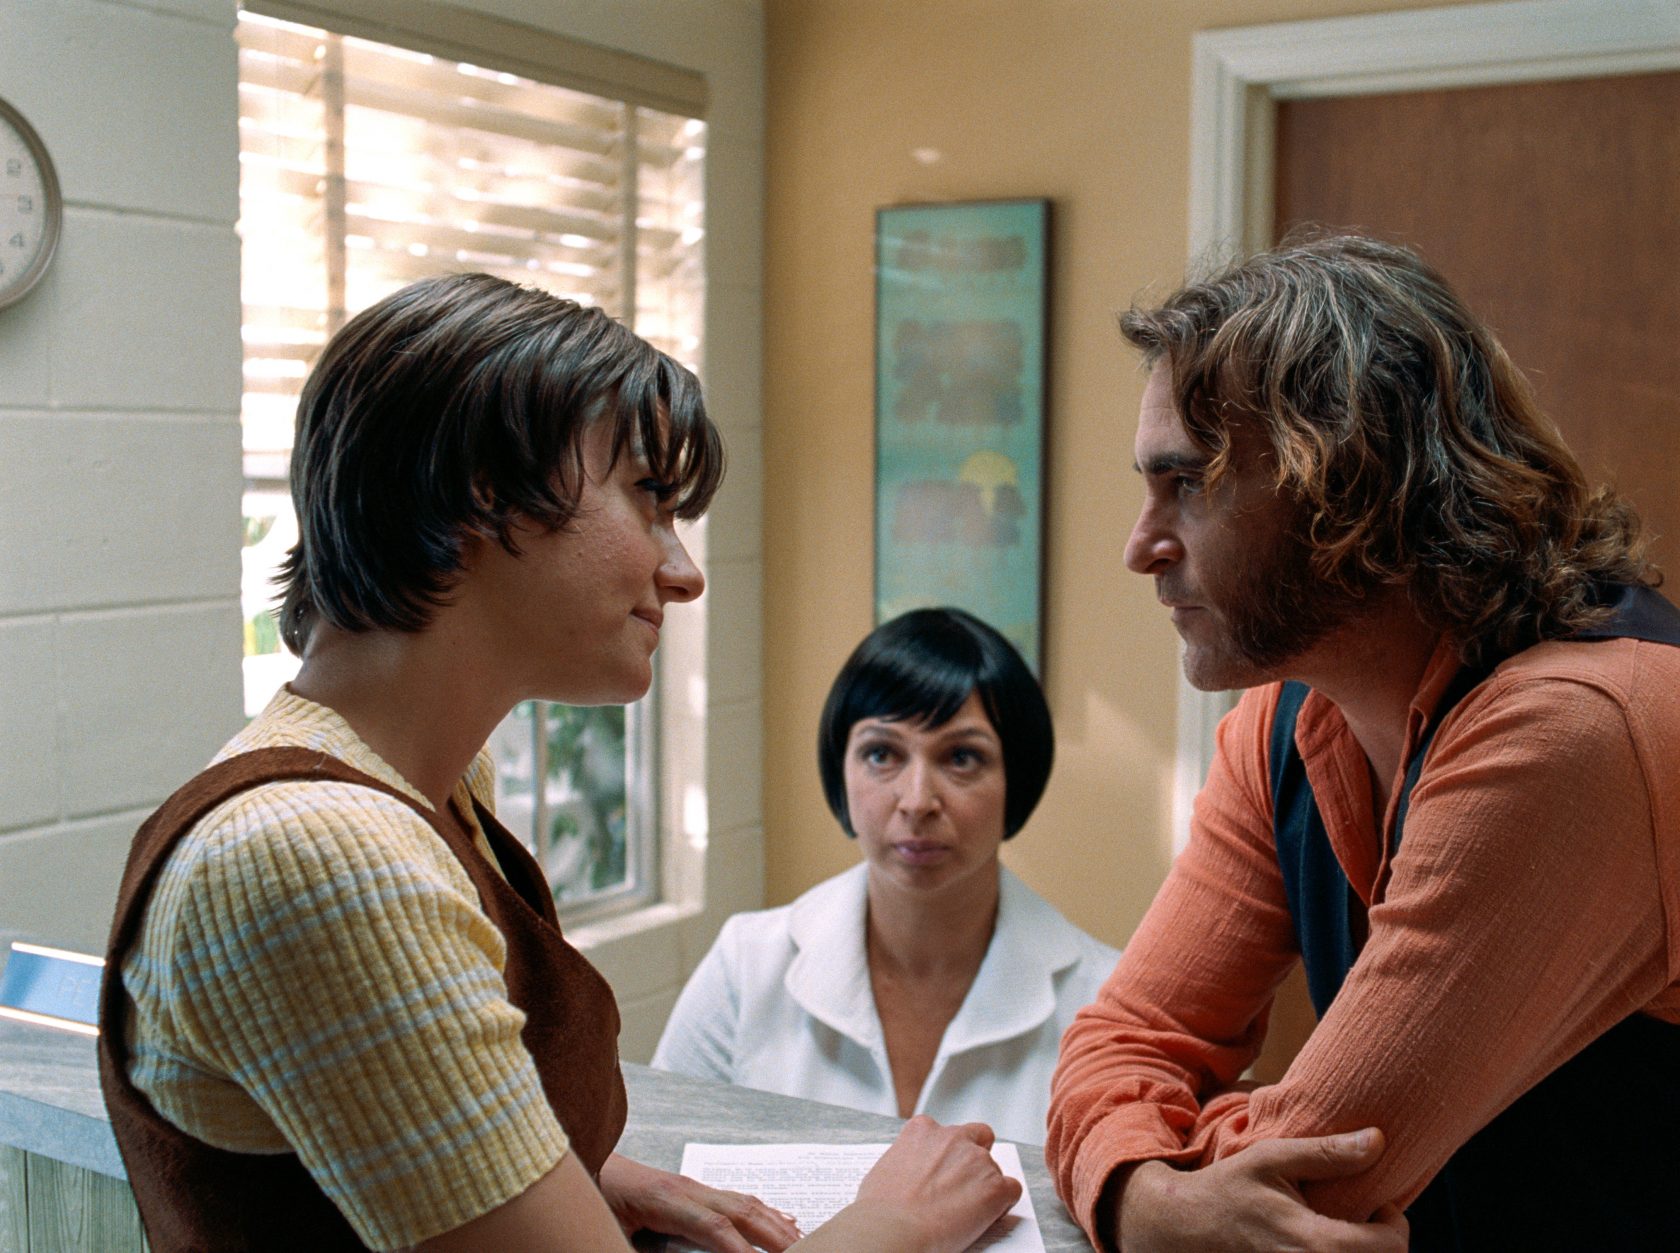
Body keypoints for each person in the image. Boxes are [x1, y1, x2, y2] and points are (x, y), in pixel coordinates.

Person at [97, 273, 1021, 1253]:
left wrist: (572, 1175)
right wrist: (898, 1219)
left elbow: (351, 1118)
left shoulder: (430, 785)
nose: (683, 571)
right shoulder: (320, 850)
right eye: (649, 499)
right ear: (480, 493)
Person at [1047, 233, 1680, 1252]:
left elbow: (1314, 1175)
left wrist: (1161, 1162)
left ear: (1342, 480)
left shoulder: (1579, 725)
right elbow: (1126, 1039)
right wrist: (1141, 1196)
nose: (1141, 546)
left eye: (1189, 484)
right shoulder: (1285, 721)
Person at [654, 607, 1120, 1146]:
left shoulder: (1105, 1003)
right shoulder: (747, 967)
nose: (917, 801)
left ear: (1018, 781)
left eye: (962, 758)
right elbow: (657, 1163)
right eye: (881, 754)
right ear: (840, 772)